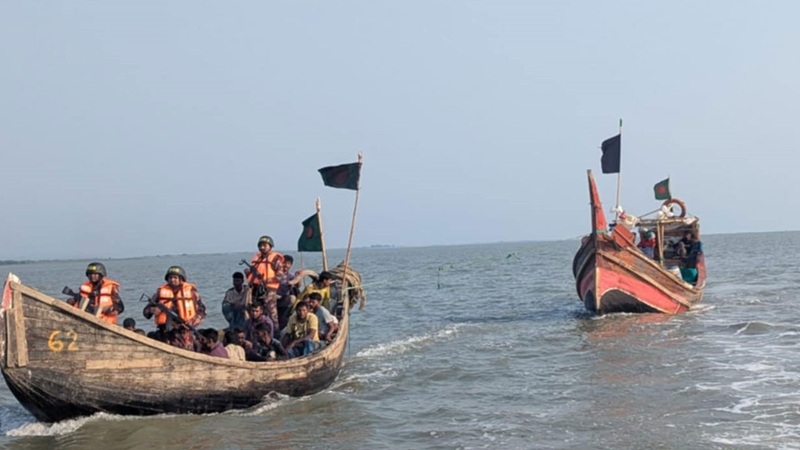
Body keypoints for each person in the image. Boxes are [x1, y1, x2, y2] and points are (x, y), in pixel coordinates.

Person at [143, 266, 207, 342]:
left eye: (175, 277)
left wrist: (191, 323)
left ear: (181, 279)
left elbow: (202, 311)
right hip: (164, 333)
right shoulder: (159, 294)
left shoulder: (192, 293)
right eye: (170, 278)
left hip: (184, 333)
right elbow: (146, 312)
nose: (172, 280)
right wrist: (151, 310)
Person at [245, 236, 285, 328]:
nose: (262, 247)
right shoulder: (257, 259)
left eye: (264, 245)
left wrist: (267, 280)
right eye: (260, 245)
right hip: (255, 290)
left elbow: (281, 276)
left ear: (270, 246)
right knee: (254, 312)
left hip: (269, 291)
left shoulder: (275, 259)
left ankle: (275, 333)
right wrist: (248, 274)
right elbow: (252, 276)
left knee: (271, 313)